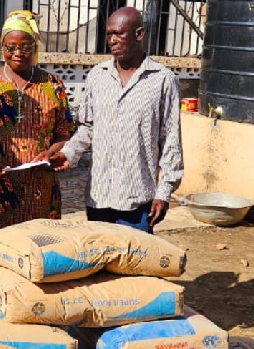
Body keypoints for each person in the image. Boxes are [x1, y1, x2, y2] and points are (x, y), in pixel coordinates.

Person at [0, 10, 76, 294]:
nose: (17, 53)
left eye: (25, 46)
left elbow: (64, 133)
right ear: (2, 48)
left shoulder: (53, 86)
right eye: (10, 47)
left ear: (35, 47)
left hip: (38, 193)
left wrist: (54, 151)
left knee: (34, 261)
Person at [50, 7, 183, 234]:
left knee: (135, 268)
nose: (112, 41)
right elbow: (88, 128)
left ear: (139, 34)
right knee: (100, 266)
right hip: (98, 199)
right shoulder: (97, 76)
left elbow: (171, 140)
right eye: (108, 34)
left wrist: (164, 193)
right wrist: (68, 153)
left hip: (139, 202)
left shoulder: (162, 80)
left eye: (118, 34)